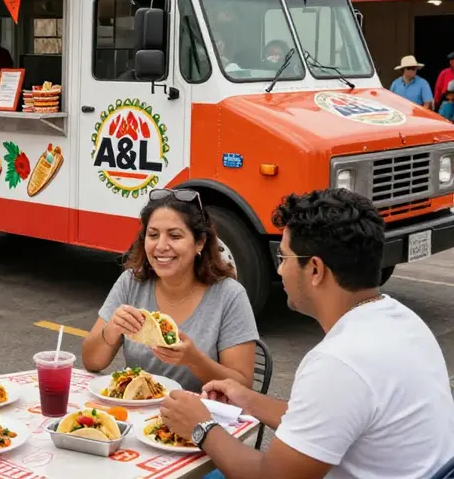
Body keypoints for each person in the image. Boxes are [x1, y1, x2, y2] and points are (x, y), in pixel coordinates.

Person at [158, 188, 454, 479]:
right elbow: (326, 417)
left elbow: (272, 476)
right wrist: (247, 400)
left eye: (284, 257)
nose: (280, 270)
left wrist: (201, 427)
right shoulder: (401, 320)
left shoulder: (338, 362)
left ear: (315, 269)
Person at [82, 189, 258, 392]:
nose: (161, 246)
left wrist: (194, 360)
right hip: (137, 412)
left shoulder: (229, 295)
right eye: (153, 235)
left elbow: (243, 386)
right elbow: (91, 362)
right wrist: (112, 329)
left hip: (199, 416)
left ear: (199, 242)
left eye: (174, 236)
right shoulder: (131, 282)